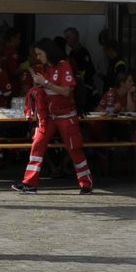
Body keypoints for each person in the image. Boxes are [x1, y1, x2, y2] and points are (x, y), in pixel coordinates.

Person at [12, 37, 93, 195]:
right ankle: (29, 184)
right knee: (37, 144)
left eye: (40, 54)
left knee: (74, 148)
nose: (38, 57)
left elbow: (66, 91)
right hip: (49, 116)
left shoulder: (64, 66)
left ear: (48, 52)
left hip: (66, 115)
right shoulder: (46, 69)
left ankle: (86, 183)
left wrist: (46, 84)